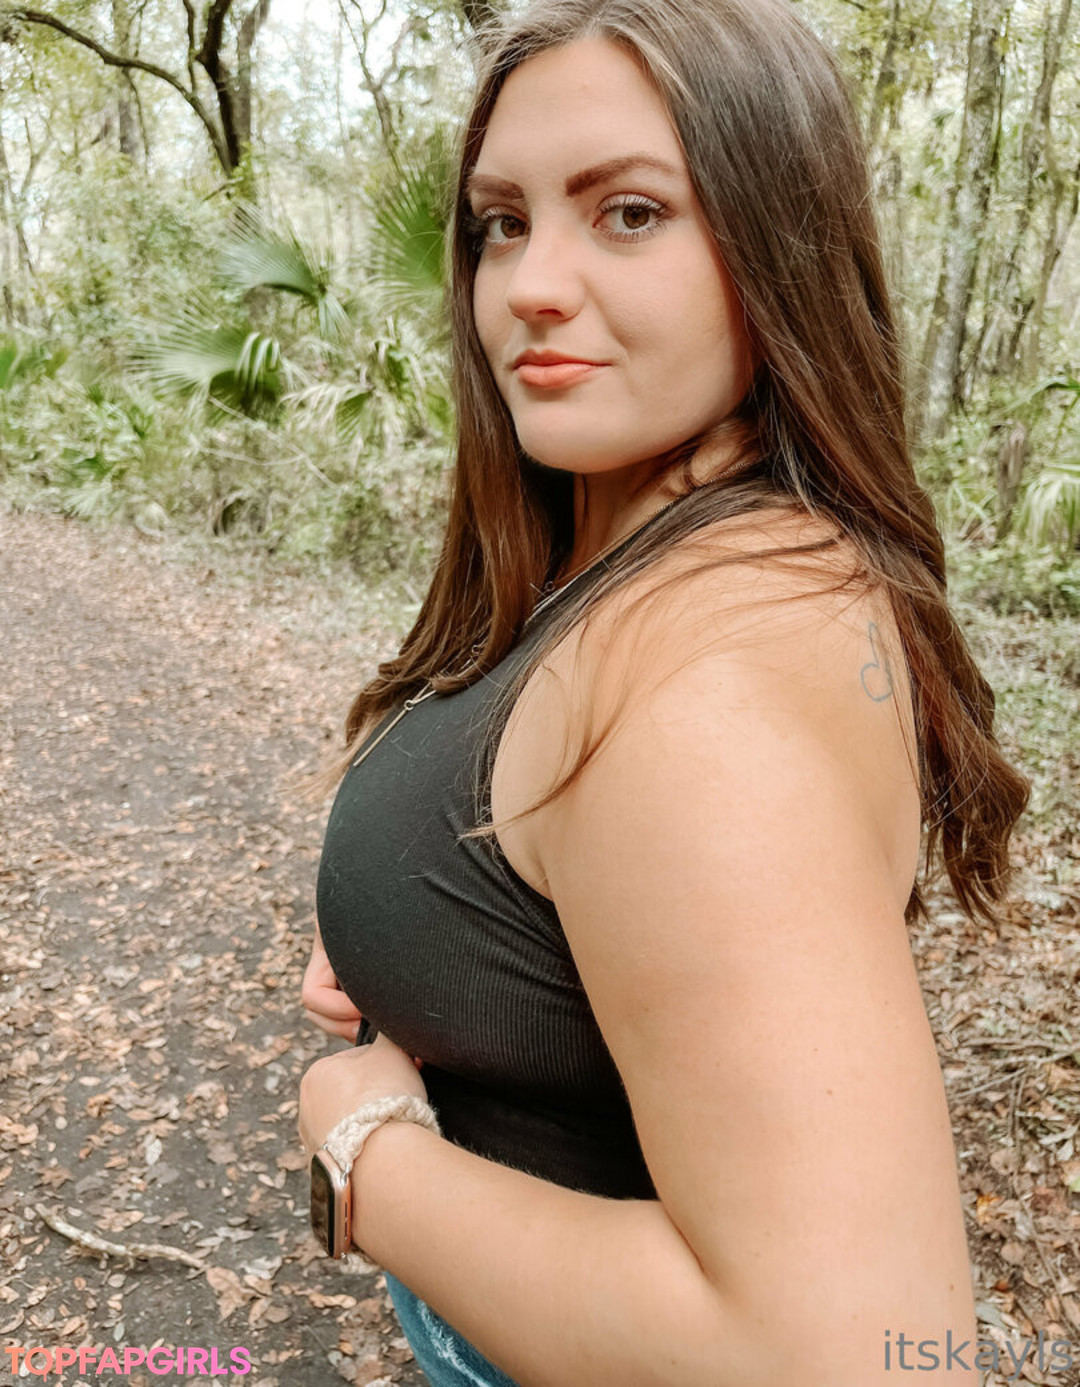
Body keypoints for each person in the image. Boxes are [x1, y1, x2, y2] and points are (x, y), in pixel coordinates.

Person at [298, 0, 1030, 1382]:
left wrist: (358, 1152)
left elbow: (849, 1357)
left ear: (778, 243)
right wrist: (423, 947)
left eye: (629, 213)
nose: (529, 285)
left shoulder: (713, 673)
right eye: (502, 222)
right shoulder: (649, 537)